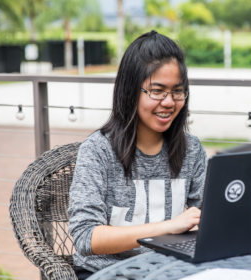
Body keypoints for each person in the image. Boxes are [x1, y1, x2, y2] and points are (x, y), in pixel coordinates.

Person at [68, 30, 207, 279]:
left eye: (177, 91)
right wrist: (167, 228)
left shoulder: (192, 149)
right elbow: (86, 236)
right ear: (131, 90)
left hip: (170, 271)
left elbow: (209, 219)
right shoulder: (98, 150)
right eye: (157, 90)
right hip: (106, 272)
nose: (169, 102)